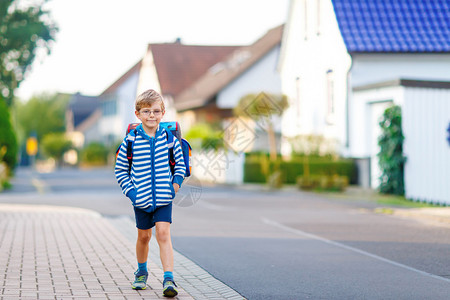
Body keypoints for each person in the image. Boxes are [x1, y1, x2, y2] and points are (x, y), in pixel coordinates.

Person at [115, 89, 186, 297]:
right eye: (146, 111)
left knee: (163, 234)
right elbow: (120, 170)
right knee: (144, 237)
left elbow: (180, 164)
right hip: (141, 200)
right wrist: (132, 193)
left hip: (164, 198)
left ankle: (168, 278)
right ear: (137, 114)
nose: (152, 115)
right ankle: (142, 271)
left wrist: (175, 186)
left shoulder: (169, 139)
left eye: (156, 111)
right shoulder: (131, 141)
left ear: (163, 113)